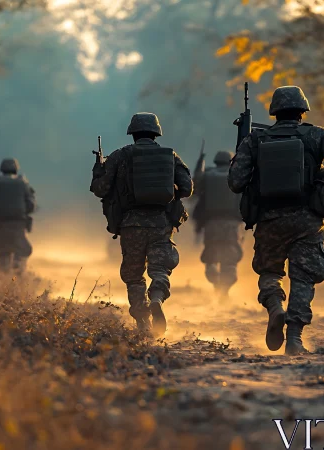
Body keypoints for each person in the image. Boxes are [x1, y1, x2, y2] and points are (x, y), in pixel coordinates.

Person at [228, 86, 324, 355]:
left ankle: (275, 307)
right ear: (302, 110)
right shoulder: (316, 135)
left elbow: (236, 182)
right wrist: (319, 177)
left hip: (269, 220)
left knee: (269, 272)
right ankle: (295, 338)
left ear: (274, 111)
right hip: (307, 220)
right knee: (303, 277)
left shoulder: (255, 140)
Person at [90, 112, 193, 336]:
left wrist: (97, 171)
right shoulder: (170, 155)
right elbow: (187, 188)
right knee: (160, 267)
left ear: (133, 132)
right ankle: (156, 296)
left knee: (134, 275)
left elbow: (100, 189)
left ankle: (144, 325)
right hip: (161, 223)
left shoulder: (119, 156)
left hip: (131, 225)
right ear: (156, 132)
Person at [193, 150, 244, 299]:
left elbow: (195, 184)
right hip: (232, 225)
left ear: (215, 161)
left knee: (211, 256)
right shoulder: (237, 175)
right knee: (230, 259)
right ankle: (224, 289)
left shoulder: (208, 175)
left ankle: (216, 283)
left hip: (212, 224)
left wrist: (200, 162)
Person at [0, 158, 35, 272]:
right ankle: (18, 278)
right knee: (21, 252)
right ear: (16, 169)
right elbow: (31, 205)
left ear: (2, 169)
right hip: (18, 224)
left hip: (0, 224)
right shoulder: (22, 183)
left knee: (3, 254)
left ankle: (3, 281)